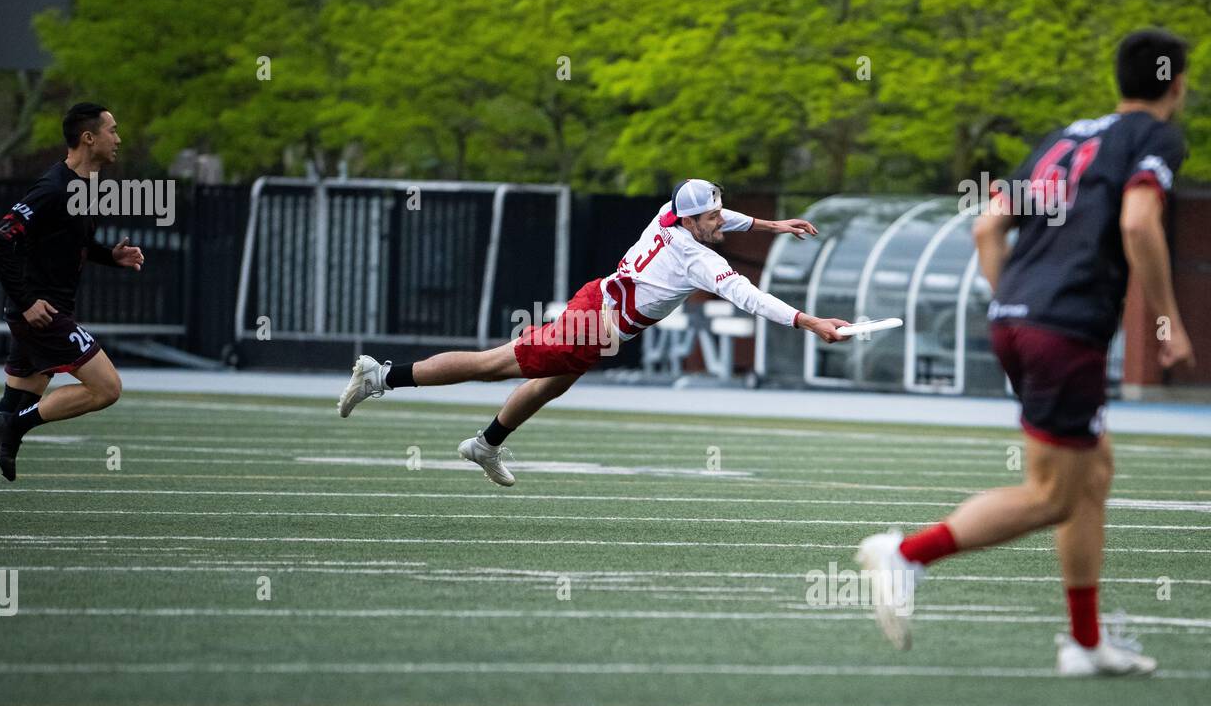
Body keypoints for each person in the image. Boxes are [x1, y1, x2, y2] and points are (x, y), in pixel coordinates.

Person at [857, 30, 1194, 676]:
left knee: (1091, 475)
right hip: (1063, 329)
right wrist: (1167, 320)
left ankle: (1085, 642)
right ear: (1176, 84)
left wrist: (1015, 302)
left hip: (1017, 317)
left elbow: (988, 224)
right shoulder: (1156, 137)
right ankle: (906, 553)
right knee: (1052, 495)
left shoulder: (1067, 136)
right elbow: (1136, 222)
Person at [337, 179, 850, 485]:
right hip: (591, 326)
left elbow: (722, 215)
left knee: (552, 385)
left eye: (719, 213)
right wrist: (810, 322)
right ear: (692, 222)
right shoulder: (695, 258)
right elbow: (751, 298)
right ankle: (381, 376)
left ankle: (486, 444)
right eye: (711, 217)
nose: (719, 222)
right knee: (493, 363)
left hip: (598, 311)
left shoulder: (672, 213)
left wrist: (770, 225)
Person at [0, 103, 145, 524]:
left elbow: (67, 240)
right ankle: (16, 426)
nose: (119, 138)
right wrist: (25, 301)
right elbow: (0, 239)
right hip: (41, 314)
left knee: (13, 401)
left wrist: (109, 256)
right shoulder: (53, 186)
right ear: (88, 138)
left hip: (44, 311)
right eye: (113, 130)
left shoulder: (87, 186)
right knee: (108, 388)